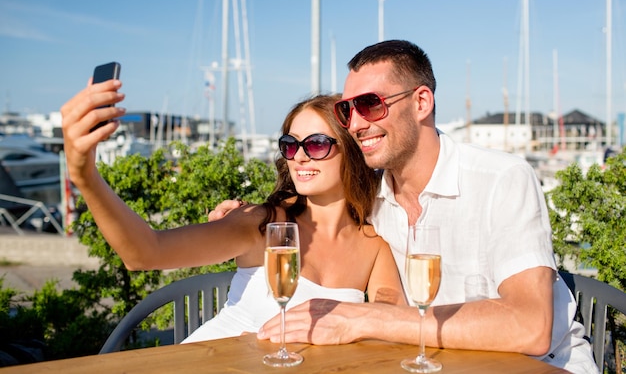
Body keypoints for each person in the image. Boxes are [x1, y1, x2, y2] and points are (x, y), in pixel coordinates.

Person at [213, 40, 597, 373]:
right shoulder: (370, 199)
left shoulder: (501, 179)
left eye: (370, 104)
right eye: (348, 111)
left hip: (543, 365)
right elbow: (310, 200)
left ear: (422, 102)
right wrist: (250, 213)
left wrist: (364, 318)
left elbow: (530, 326)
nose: (357, 124)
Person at [60, 82, 406, 341]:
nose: (299, 156)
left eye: (315, 144)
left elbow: (393, 318)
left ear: (352, 152)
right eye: (290, 144)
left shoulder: (374, 245)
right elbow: (144, 252)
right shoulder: (262, 223)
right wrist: (85, 176)